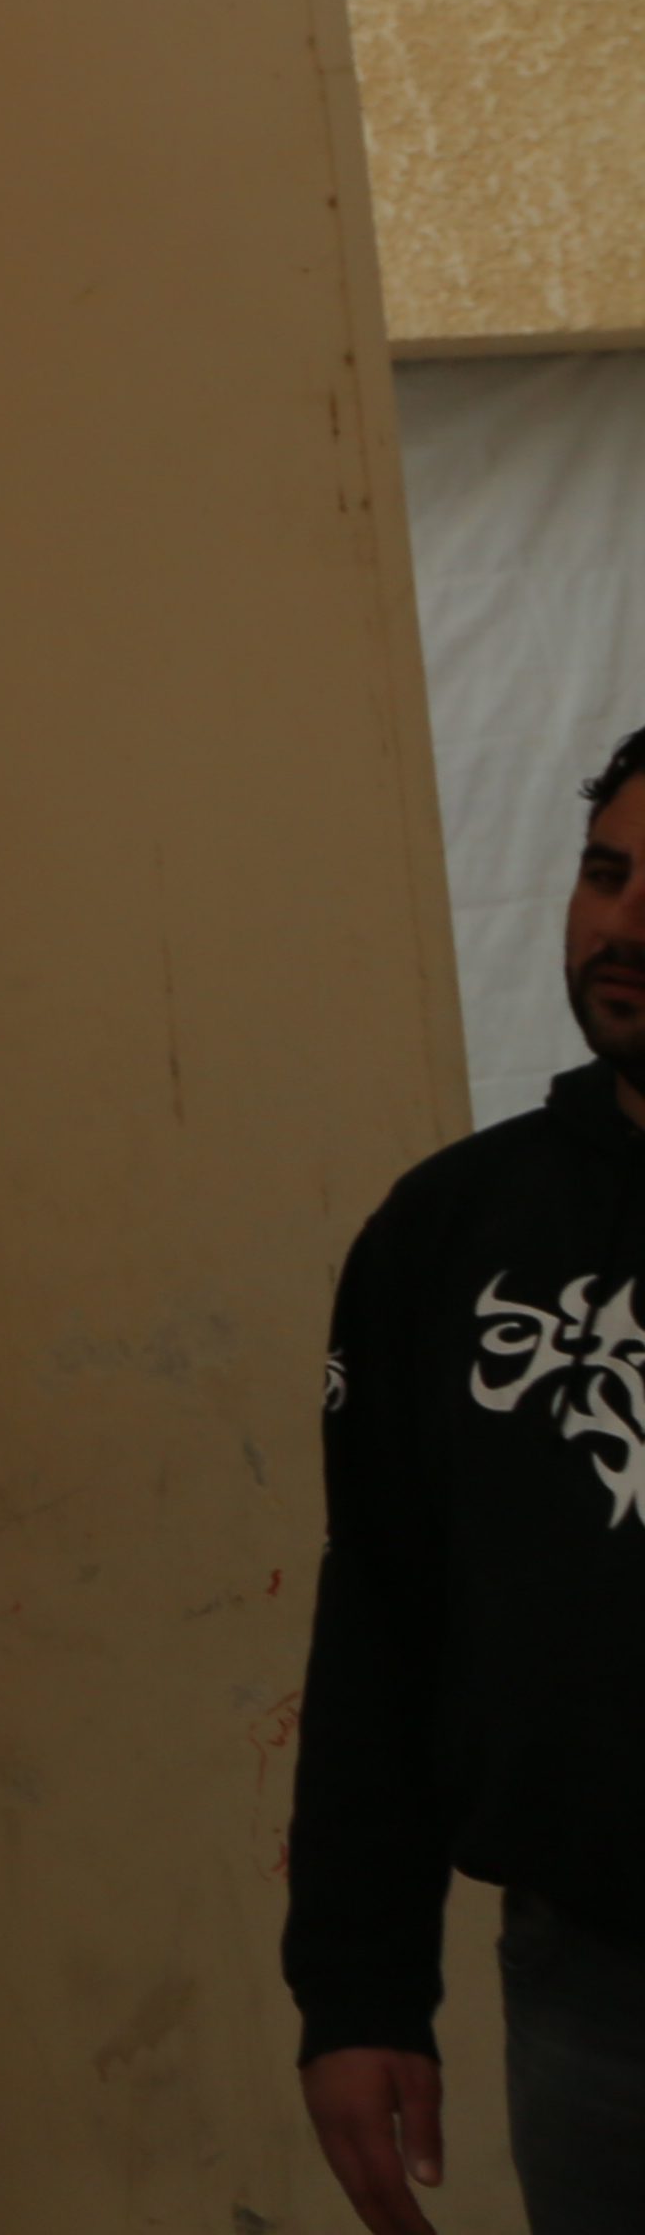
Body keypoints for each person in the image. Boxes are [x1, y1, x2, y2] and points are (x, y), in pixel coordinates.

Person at [287, 725, 645, 2235]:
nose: (623, 925)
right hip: (598, 1992)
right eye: (605, 872)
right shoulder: (447, 1236)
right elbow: (384, 1624)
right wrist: (360, 1989)